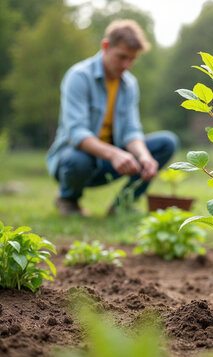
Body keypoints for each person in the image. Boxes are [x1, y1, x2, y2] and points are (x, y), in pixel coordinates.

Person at [46, 19, 178, 216]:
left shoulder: (129, 84)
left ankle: (121, 206)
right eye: (121, 57)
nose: (126, 65)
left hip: (112, 161)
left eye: (131, 59)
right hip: (75, 161)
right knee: (78, 159)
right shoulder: (78, 77)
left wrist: (144, 156)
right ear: (105, 46)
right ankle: (68, 201)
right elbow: (77, 134)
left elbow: (131, 132)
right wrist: (114, 154)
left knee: (167, 142)